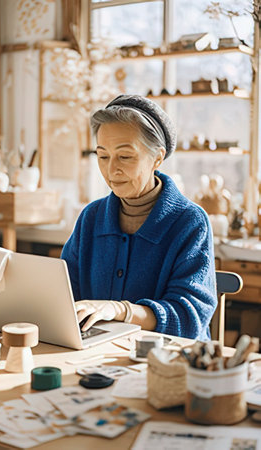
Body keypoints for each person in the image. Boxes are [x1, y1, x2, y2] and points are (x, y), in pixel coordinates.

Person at [61, 94, 217, 340]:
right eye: (103, 156)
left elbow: (189, 319)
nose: (112, 169)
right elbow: (63, 295)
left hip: (171, 362)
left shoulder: (190, 222)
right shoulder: (91, 217)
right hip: (99, 355)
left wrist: (119, 310)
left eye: (125, 156)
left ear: (157, 158)